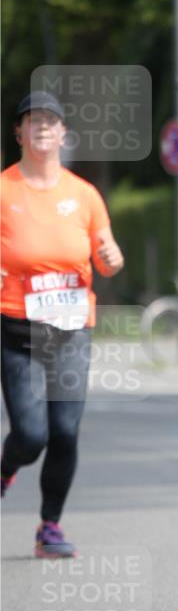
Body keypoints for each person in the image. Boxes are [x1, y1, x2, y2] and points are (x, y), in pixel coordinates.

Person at [0, 90, 124, 557]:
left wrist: (111, 258)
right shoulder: (4, 189)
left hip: (71, 330)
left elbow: (108, 257)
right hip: (17, 331)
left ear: (63, 134)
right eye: (33, 122)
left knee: (66, 431)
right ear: (20, 133)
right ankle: (6, 468)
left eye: (51, 122)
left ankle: (49, 526)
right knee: (31, 434)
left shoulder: (83, 194)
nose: (43, 129)